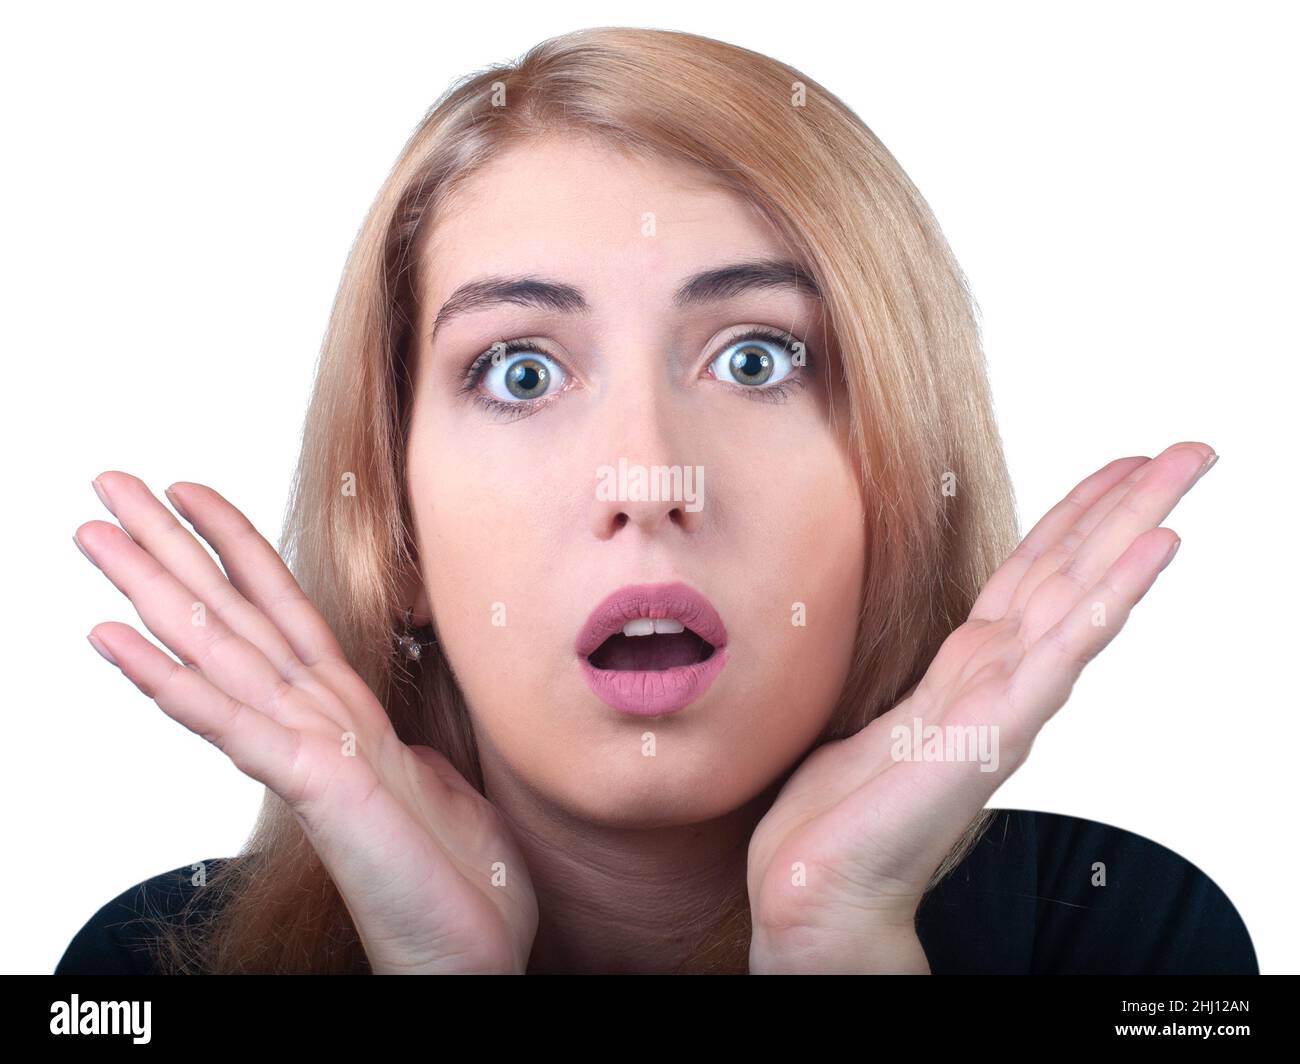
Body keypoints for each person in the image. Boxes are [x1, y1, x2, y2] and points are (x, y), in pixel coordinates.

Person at [61, 26, 1250, 974]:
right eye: (520, 371)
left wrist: (839, 944)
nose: (644, 479)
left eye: (757, 359)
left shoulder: (1129, 939)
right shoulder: (144, 967)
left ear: (899, 475)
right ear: (398, 530)